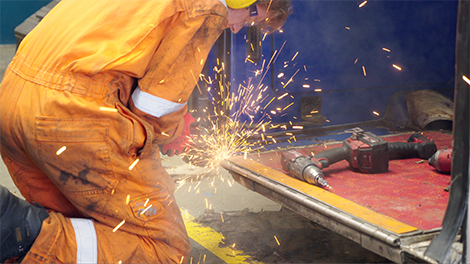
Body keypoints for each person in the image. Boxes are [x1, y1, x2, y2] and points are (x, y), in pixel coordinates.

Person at [0, 0, 292, 263]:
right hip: (71, 118)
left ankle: (17, 231)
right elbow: (152, 110)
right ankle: (22, 231)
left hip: (12, 102)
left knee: (78, 220)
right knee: (161, 249)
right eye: (251, 13)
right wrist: (172, 131)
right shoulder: (207, 6)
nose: (239, 27)